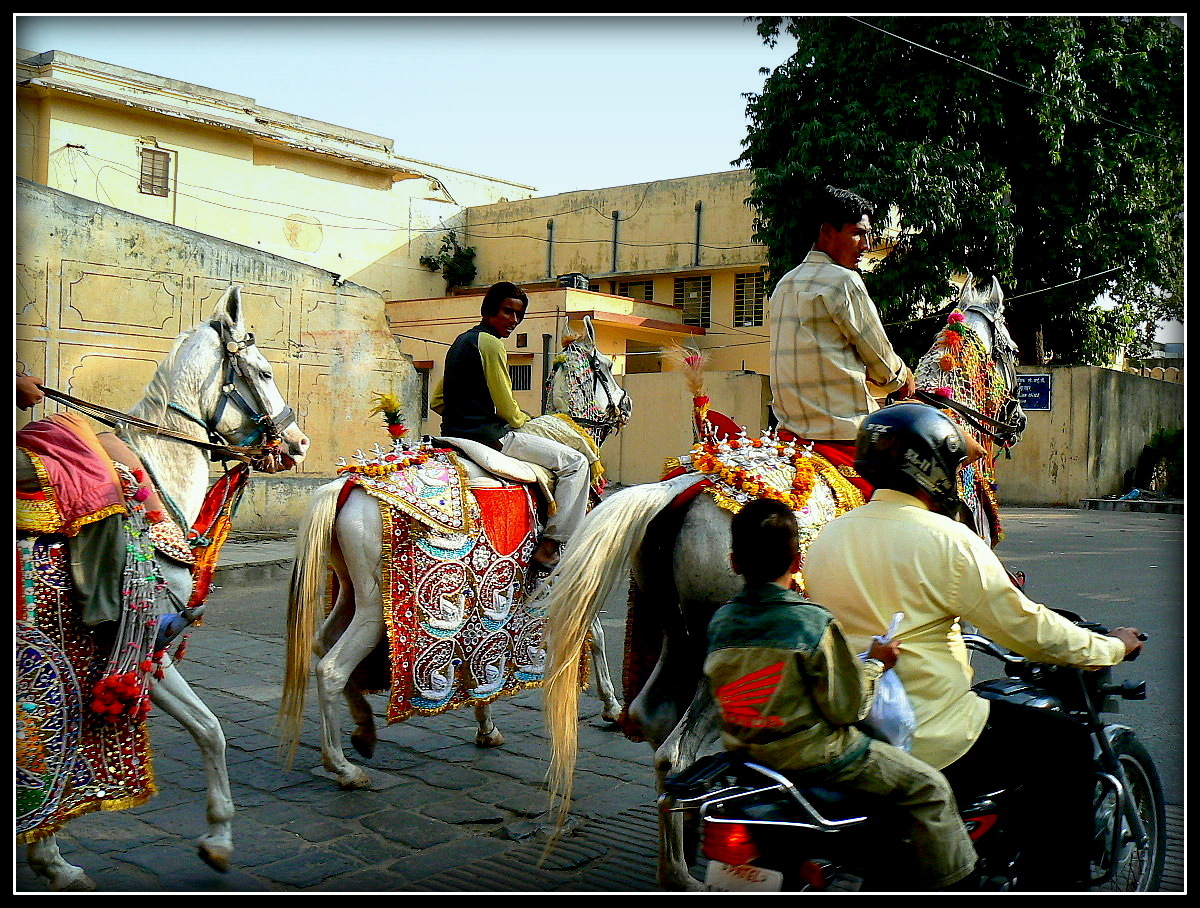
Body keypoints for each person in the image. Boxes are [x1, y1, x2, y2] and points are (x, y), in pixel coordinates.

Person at [803, 402, 1145, 890]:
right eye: (954, 466)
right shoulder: (946, 539)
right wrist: (1109, 647)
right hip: (934, 733)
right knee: (1065, 744)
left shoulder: (827, 538)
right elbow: (1026, 629)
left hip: (854, 727)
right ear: (930, 466)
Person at [704, 497, 978, 890]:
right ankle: (958, 883)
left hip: (745, 751)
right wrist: (876, 664)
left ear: (733, 563)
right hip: (816, 756)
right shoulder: (811, 622)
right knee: (931, 787)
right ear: (797, 563)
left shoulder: (721, 620)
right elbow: (847, 707)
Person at [767, 186, 917, 498]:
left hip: (789, 434)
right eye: (857, 234)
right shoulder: (844, 281)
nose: (867, 245)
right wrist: (904, 378)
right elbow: (884, 368)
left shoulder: (784, 284)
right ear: (826, 232)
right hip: (845, 436)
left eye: (868, 235)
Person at [431, 281, 590, 569]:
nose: (513, 321)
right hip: (490, 438)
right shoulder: (491, 343)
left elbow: (437, 401)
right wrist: (526, 420)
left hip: (453, 434)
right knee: (576, 463)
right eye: (507, 312)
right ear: (489, 310)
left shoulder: (461, 342)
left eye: (519, 316)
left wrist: (466, 413)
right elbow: (508, 409)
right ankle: (550, 545)